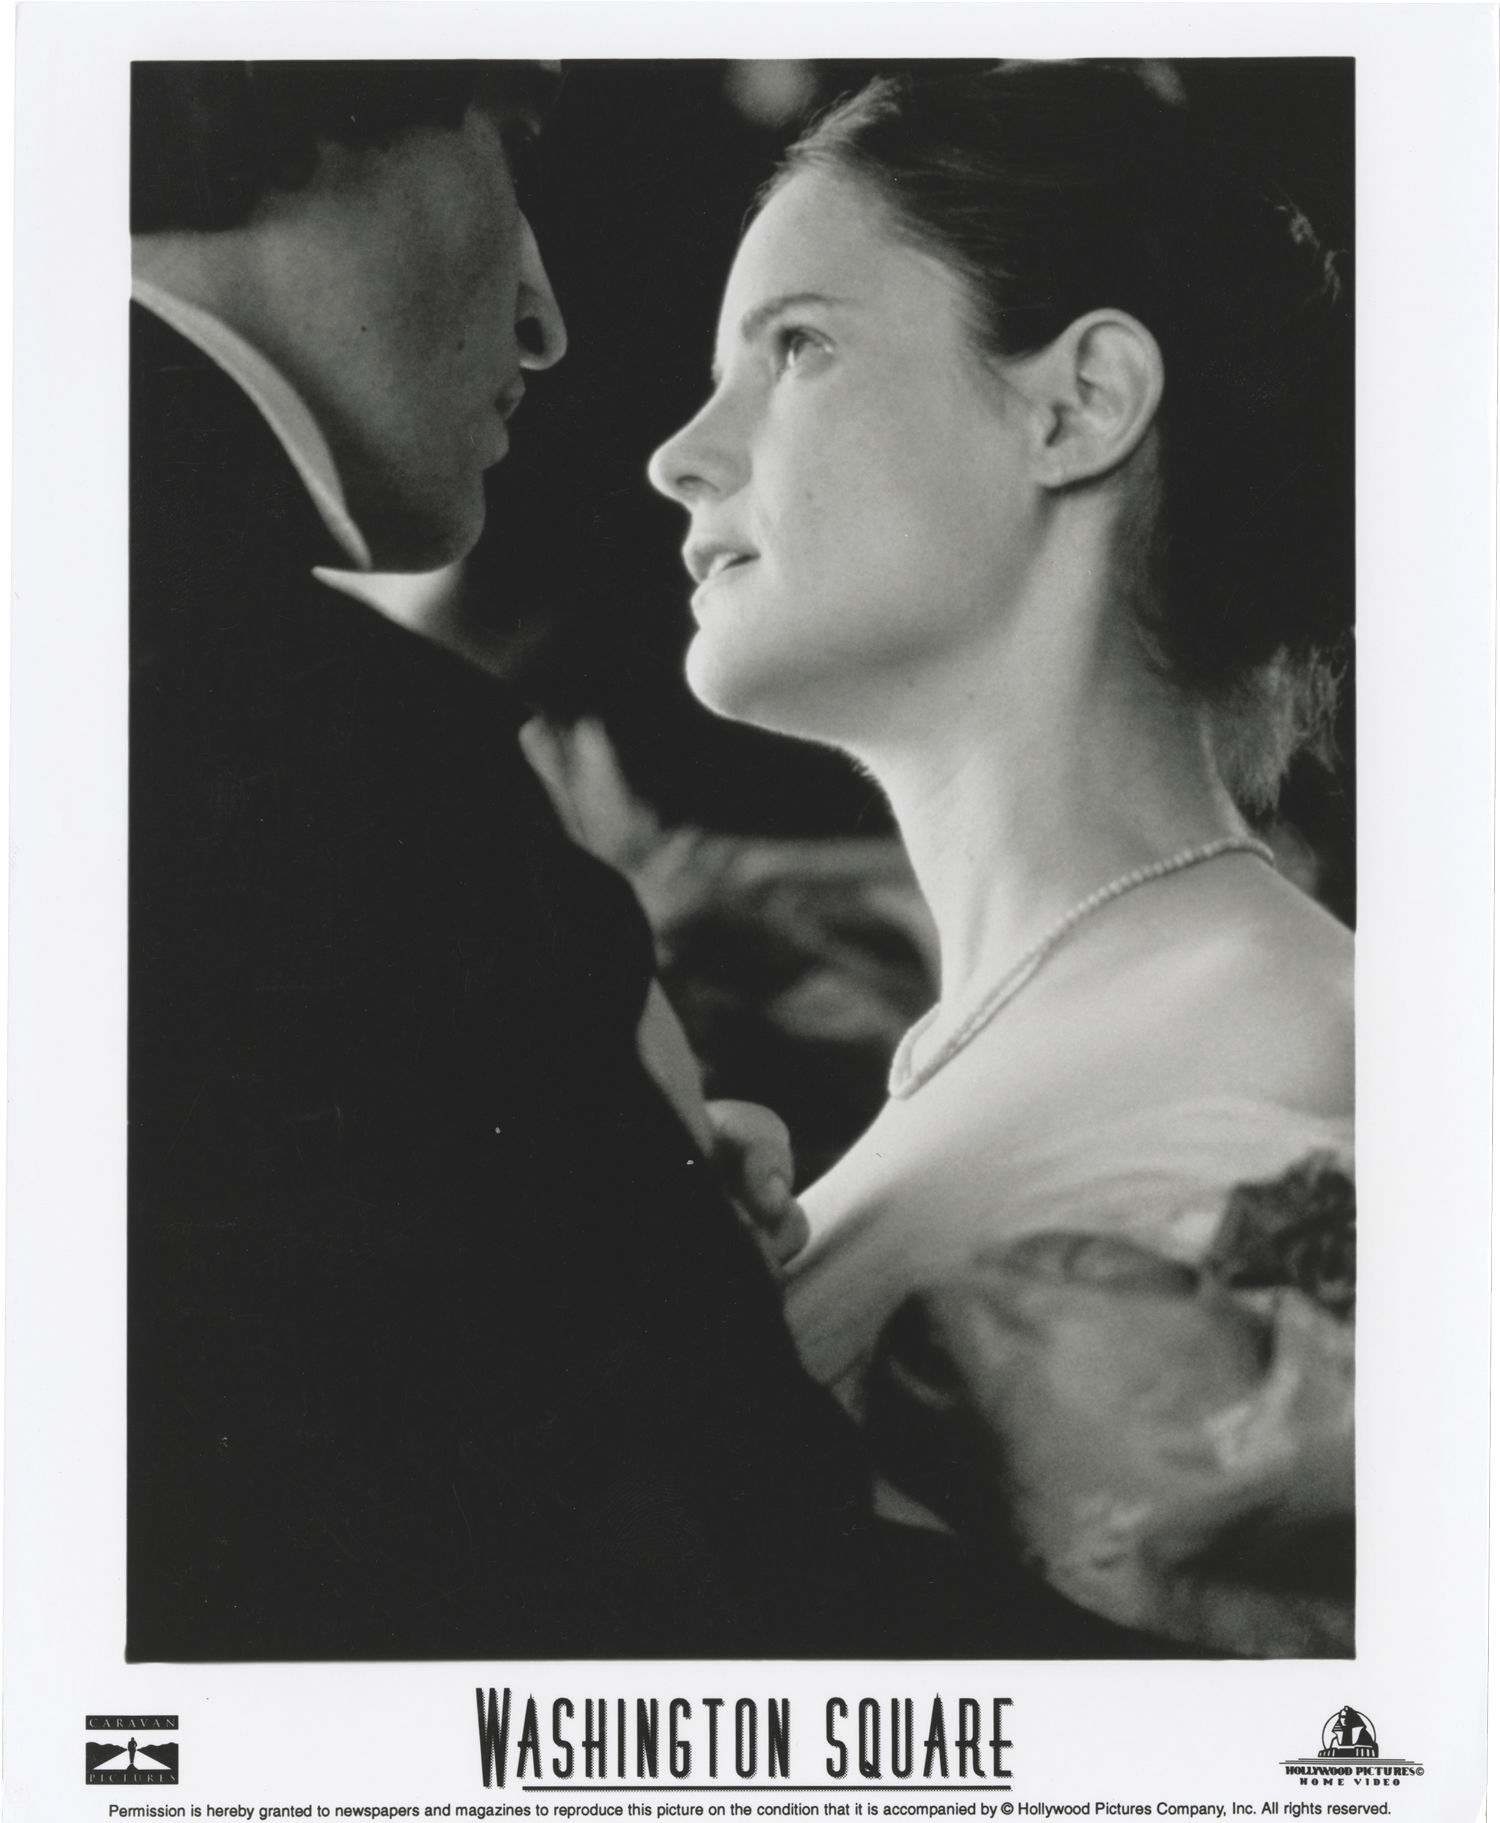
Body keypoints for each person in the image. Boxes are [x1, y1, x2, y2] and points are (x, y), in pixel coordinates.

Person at [128, 59, 879, 1660]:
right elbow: (739, 1579)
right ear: (308, 96)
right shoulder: (338, 739)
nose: (544, 318)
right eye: (512, 151)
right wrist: (659, 1289)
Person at [649, 61, 1354, 1656]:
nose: (680, 454)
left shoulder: (1288, 1047)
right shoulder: (1048, 1036)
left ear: (1077, 404)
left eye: (795, 347)